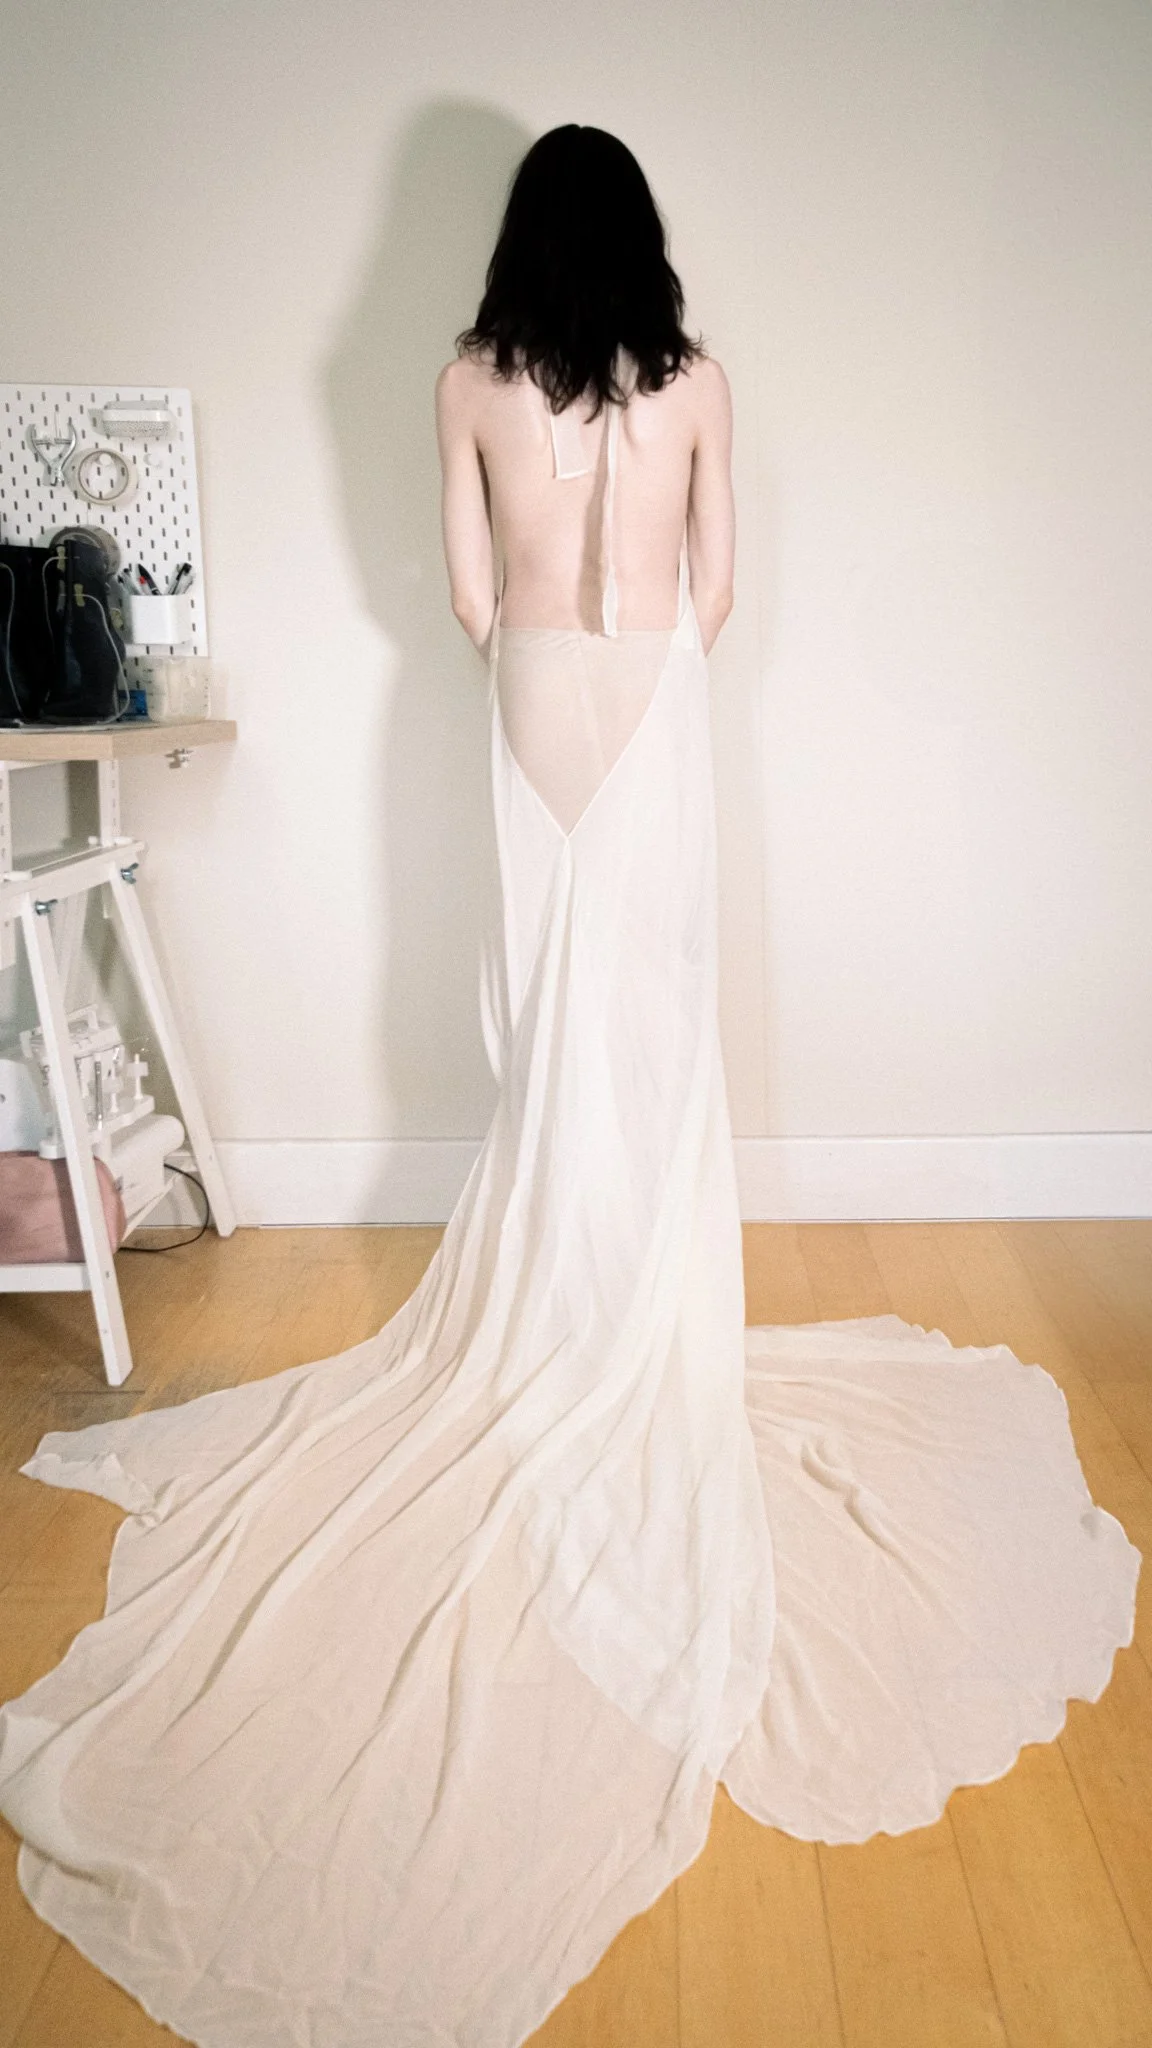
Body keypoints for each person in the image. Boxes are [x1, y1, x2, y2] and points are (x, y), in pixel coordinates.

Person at [0, 124, 1140, 2048]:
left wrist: (548, 616)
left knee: (547, 1037)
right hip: (658, 716)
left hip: (532, 706)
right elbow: (718, 594)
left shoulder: (466, 382)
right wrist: (638, 636)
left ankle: (561, 1312)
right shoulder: (700, 384)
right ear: (645, 241)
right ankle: (635, 1322)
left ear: (525, 236)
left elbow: (466, 597)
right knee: (655, 1036)